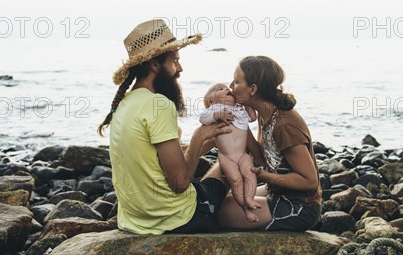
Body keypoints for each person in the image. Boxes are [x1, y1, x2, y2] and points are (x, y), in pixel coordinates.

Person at [97, 19, 232, 235]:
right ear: (154, 65)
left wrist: (214, 138)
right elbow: (179, 183)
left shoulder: (126, 103)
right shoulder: (159, 105)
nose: (180, 68)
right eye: (175, 61)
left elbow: (160, 159)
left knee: (212, 162)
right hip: (176, 218)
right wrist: (200, 136)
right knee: (229, 164)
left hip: (134, 219)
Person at [212, 55, 322, 231]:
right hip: (278, 192)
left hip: (300, 207)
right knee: (228, 197)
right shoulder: (266, 114)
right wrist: (240, 124)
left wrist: (263, 176)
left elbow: (310, 181)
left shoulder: (285, 125)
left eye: (237, 81)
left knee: (215, 209)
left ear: (253, 89)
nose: (231, 87)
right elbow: (266, 160)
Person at [200, 83, 260, 222]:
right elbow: (203, 118)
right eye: (220, 89)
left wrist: (248, 105)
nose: (227, 89)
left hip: (242, 154)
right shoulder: (214, 109)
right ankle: (245, 208)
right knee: (236, 181)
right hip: (226, 157)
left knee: (250, 173)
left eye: (227, 87)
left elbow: (252, 118)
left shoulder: (239, 109)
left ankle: (250, 199)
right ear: (211, 101)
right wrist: (217, 115)